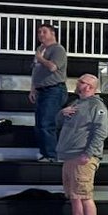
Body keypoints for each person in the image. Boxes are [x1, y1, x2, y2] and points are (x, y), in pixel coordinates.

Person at [53, 74, 108, 215]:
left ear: (90, 87)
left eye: (82, 82)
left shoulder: (97, 106)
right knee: (74, 196)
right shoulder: (76, 103)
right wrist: (62, 114)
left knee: (84, 195)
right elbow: (57, 123)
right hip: (69, 155)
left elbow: (100, 132)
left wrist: (89, 153)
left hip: (82, 156)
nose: (78, 84)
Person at [30, 23, 68, 163]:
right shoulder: (40, 49)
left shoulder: (58, 49)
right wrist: (33, 88)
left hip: (54, 90)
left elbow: (53, 67)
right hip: (41, 90)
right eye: (39, 32)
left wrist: (41, 59)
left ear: (52, 33)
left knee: (47, 123)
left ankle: (51, 155)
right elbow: (35, 71)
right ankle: (44, 153)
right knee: (40, 123)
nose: (41, 34)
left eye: (44, 32)